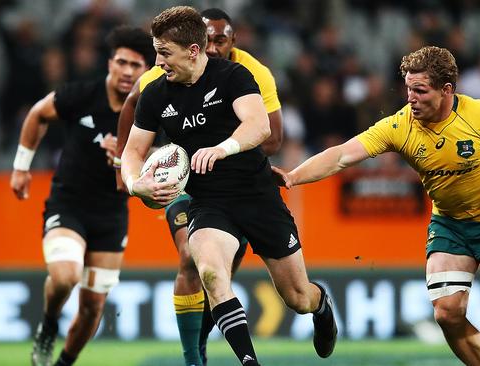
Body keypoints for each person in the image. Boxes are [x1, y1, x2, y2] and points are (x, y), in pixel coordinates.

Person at [272, 46, 480, 365]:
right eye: (408, 89)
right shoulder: (400, 126)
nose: (411, 98)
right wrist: (293, 176)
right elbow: (342, 155)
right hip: (449, 225)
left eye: (420, 90)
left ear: (446, 90)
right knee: (446, 313)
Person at [121, 6, 337, 366]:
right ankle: (248, 361)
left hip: (256, 195)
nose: (157, 62)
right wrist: (134, 183)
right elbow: (133, 151)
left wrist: (223, 148)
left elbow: (260, 127)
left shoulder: (235, 76)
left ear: (193, 50)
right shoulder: (156, 93)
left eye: (164, 53)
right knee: (208, 271)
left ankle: (321, 304)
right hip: (208, 201)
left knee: (298, 298)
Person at [10, 26, 154, 366]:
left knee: (93, 309)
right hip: (68, 204)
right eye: (122, 62)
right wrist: (20, 167)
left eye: (136, 65)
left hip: (111, 215)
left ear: (147, 71)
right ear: (109, 63)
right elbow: (37, 114)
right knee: (65, 275)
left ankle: (62, 363)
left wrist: (128, 159)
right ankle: (48, 325)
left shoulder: (149, 113)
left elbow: (157, 165)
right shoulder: (81, 95)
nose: (128, 71)